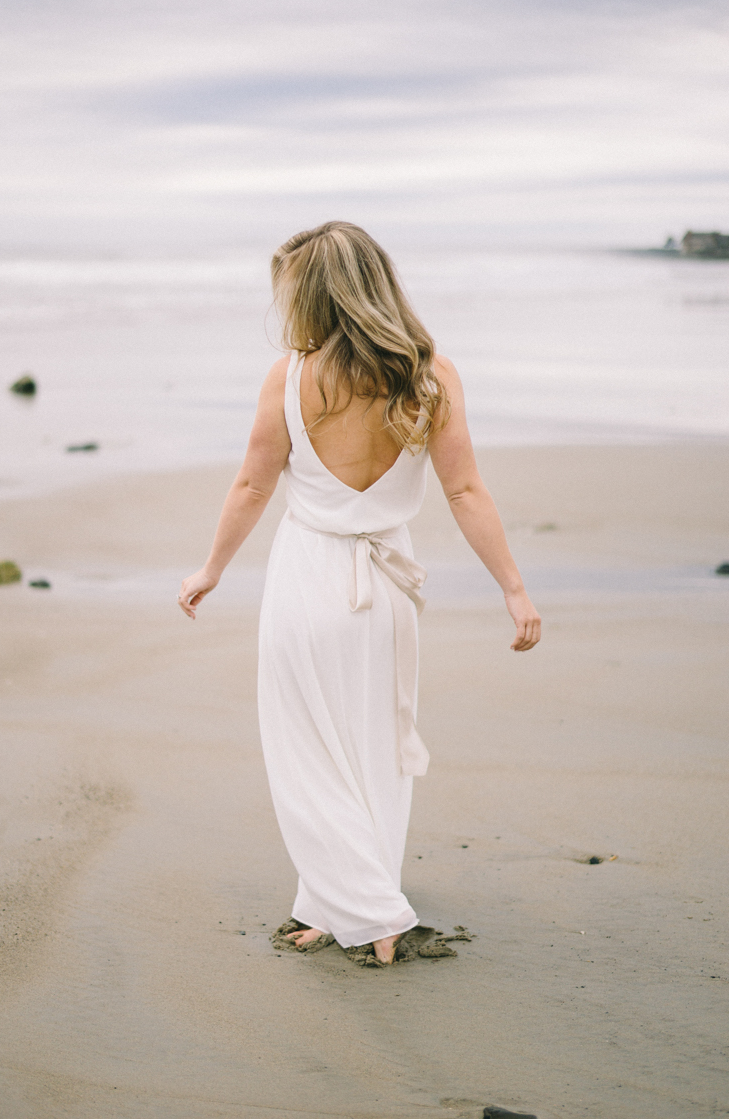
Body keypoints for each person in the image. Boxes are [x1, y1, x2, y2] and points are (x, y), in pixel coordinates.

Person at [177, 222, 541, 966]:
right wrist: (514, 588)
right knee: (373, 752)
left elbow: (253, 484)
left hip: (308, 579)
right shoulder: (430, 372)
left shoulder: (290, 376)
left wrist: (209, 568)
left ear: (312, 293)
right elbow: (465, 490)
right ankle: (329, 903)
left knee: (307, 754)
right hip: (388, 587)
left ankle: (373, 911)